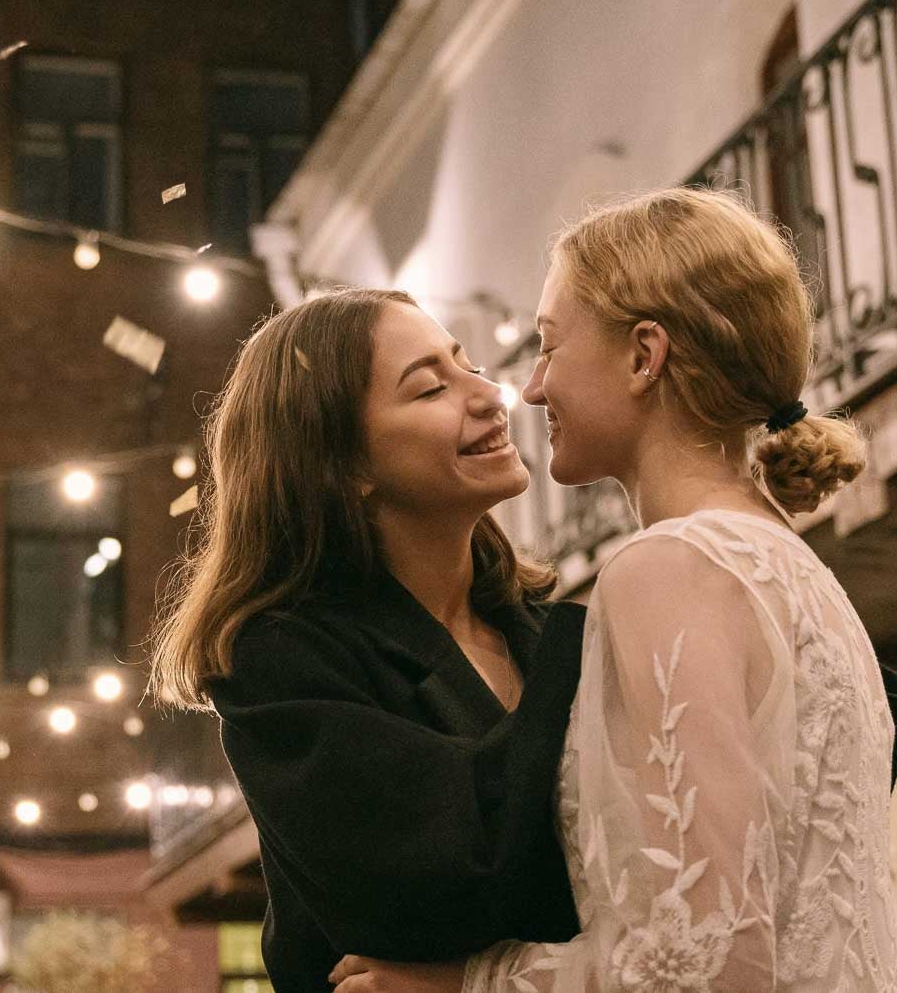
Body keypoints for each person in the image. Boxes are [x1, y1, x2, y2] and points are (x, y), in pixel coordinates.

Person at [334, 188, 897, 993]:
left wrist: (465, 985)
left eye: (549, 346)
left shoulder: (668, 567)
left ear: (645, 355)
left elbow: (713, 957)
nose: (530, 389)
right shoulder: (790, 563)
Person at [146, 289, 586, 993]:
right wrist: (594, 636)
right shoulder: (278, 660)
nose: (489, 393)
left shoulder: (529, 624)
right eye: (432, 387)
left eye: (469, 364)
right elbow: (458, 870)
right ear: (342, 465)